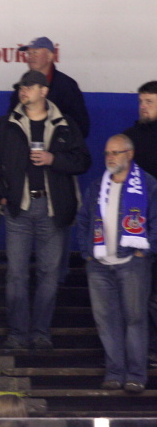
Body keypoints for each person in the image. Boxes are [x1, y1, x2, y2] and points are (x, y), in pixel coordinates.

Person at [0, 70, 91, 350]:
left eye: (29, 86)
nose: (23, 91)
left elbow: (83, 161)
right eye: (21, 86)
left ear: (44, 91)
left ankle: (41, 333)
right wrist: (1, 195)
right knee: (16, 274)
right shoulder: (6, 124)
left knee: (49, 274)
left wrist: (53, 159)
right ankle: (18, 334)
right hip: (18, 208)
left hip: (52, 209)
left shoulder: (65, 125)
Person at [77, 134, 157, 394]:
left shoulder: (147, 184)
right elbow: (84, 220)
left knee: (135, 319)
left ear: (129, 154)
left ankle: (135, 375)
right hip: (99, 265)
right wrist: (88, 253)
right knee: (106, 321)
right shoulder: (97, 186)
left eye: (115, 152)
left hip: (132, 262)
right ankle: (114, 373)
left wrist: (145, 252)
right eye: (107, 153)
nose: (110, 157)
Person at [123, 81, 157, 363]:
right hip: (135, 226)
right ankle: (140, 350)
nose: (143, 107)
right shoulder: (128, 139)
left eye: (149, 102)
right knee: (137, 295)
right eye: (141, 101)